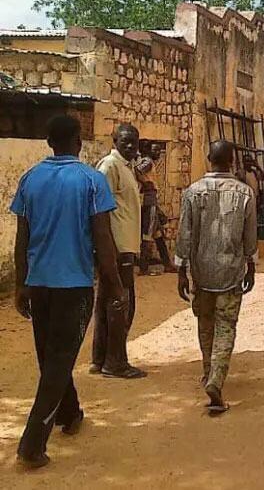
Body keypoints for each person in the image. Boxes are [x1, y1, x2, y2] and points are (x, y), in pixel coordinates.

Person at [11, 115, 125, 468]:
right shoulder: (91, 181)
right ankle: (32, 443)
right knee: (58, 361)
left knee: (52, 357)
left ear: (48, 143)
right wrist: (116, 284)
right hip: (74, 286)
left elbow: (22, 238)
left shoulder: (30, 179)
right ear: (78, 141)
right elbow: (103, 238)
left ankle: (70, 413)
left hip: (39, 285)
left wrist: (20, 283)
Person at [176, 140, 257, 415]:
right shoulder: (245, 193)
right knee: (226, 326)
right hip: (231, 272)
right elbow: (250, 237)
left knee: (205, 323)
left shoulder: (192, 192)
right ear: (231, 161)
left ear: (208, 157)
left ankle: (208, 372)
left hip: (201, 271)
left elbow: (184, 234)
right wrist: (251, 265)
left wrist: (181, 271)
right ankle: (215, 380)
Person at [92, 123, 146, 379]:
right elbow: (99, 210)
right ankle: (115, 362)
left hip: (125, 246)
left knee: (107, 302)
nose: (130, 145)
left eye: (134, 141)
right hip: (116, 247)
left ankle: (101, 358)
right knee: (121, 304)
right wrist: (108, 249)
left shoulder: (126, 167)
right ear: (114, 141)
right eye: (125, 141)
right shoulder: (109, 166)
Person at [135, 143, 174, 275]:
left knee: (158, 234)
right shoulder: (147, 161)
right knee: (148, 232)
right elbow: (138, 170)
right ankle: (143, 267)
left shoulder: (148, 161)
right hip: (149, 199)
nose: (158, 152)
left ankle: (167, 264)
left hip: (151, 199)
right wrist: (146, 183)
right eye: (155, 149)